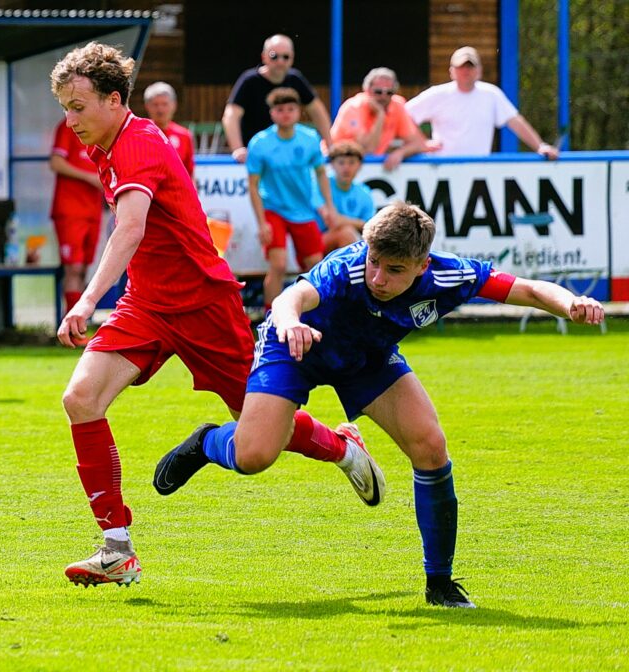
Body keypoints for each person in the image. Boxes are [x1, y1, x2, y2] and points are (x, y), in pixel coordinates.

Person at [155, 202, 605, 608]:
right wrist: (290, 323)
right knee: (253, 456)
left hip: (368, 360)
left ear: (422, 265)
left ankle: (441, 584)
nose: (377, 278)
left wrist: (572, 303)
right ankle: (208, 442)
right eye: (373, 262)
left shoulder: (449, 275)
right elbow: (293, 297)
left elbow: (524, 288)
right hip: (296, 348)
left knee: (430, 446)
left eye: (394, 269)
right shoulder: (348, 268)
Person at [50, 43, 366, 588]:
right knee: (80, 398)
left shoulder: (139, 142)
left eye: (78, 106)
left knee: (260, 431)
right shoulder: (105, 146)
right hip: (147, 303)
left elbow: (130, 228)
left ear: (113, 100)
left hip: (203, 304)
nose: (70, 119)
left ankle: (342, 447)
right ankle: (117, 547)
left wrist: (84, 299)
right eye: (64, 107)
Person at [247, 87, 337, 307]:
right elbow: (253, 185)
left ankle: (314, 315)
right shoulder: (260, 143)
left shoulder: (309, 139)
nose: (285, 113)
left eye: (290, 109)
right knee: (277, 265)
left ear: (298, 112)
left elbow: (321, 174)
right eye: (280, 110)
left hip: (303, 211)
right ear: (272, 114)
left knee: (314, 265)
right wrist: (261, 223)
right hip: (273, 210)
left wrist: (329, 206)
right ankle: (270, 320)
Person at [405, 47, 559, 159]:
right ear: (451, 71)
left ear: (479, 70)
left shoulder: (491, 94)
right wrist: (421, 143)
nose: (466, 71)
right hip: (442, 170)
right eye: (461, 67)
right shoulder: (437, 94)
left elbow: (515, 121)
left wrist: (540, 146)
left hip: (479, 170)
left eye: (470, 66)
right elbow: (404, 116)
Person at [222, 35, 331, 164]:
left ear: (292, 58)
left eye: (285, 57)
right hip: (256, 156)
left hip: (288, 157)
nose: (280, 61)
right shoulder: (249, 81)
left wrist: (330, 145)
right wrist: (238, 149)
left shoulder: (295, 80)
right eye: (274, 56)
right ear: (264, 57)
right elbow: (231, 116)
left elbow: (317, 111)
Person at [48, 117, 104, 325]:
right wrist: (90, 178)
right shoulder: (67, 127)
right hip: (70, 209)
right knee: (73, 267)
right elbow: (56, 162)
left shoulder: (99, 130)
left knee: (83, 269)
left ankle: (78, 322)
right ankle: (72, 325)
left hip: (93, 210)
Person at [330, 68, 433, 171]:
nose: (383, 97)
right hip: (335, 165)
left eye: (389, 92)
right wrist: (380, 115)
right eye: (378, 92)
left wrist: (400, 153)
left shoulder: (396, 105)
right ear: (367, 91)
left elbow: (419, 143)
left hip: (363, 168)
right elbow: (368, 150)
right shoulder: (354, 108)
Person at [319, 141, 375, 252]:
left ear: (359, 166)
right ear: (332, 165)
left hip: (348, 240)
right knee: (346, 233)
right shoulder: (321, 185)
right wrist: (354, 223)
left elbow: (370, 226)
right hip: (316, 242)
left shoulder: (364, 193)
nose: (346, 168)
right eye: (341, 163)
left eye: (351, 163)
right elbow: (331, 221)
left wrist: (343, 221)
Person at [142, 81, 195, 177]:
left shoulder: (184, 135)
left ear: (174, 105)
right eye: (155, 104)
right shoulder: (141, 135)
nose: (160, 110)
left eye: (164, 104)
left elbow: (190, 173)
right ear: (147, 106)